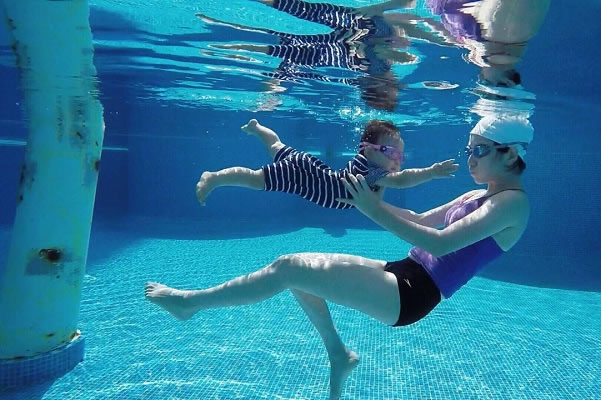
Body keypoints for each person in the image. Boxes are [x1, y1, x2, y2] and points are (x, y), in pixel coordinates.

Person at [146, 115, 532, 399]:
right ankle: (338, 354)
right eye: (469, 150)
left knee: (289, 269)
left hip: (414, 294)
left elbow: (442, 244)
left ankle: (190, 303)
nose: (470, 159)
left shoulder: (512, 204)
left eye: (479, 150)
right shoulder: (479, 194)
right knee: (298, 270)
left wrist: (372, 209)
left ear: (511, 153)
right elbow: (417, 219)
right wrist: (363, 202)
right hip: (405, 271)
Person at [195, 119, 458, 207]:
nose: (396, 160)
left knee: (276, 146)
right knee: (256, 179)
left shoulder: (369, 169)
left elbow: (377, 199)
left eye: (400, 155)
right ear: (367, 150)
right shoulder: (371, 171)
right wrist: (430, 172)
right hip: (302, 177)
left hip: (310, 169)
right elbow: (401, 180)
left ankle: (257, 128)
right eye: (390, 152)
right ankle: (214, 177)